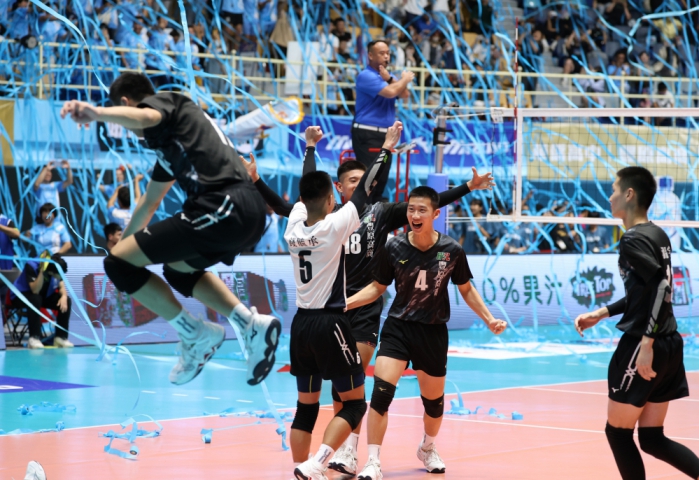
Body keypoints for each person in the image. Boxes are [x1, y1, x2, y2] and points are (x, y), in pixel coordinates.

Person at [245, 127, 494, 477]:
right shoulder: (335, 218)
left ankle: (345, 454)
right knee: (345, 393)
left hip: (357, 309)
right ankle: (332, 458)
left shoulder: (374, 213)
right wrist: (385, 150)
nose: (363, 184)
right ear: (337, 188)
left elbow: (427, 203)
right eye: (354, 180)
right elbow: (298, 199)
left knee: (349, 386)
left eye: (364, 179)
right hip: (332, 313)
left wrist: (467, 187)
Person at [59, 72, 281, 386]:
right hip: (245, 213)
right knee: (177, 271)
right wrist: (124, 258)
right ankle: (248, 323)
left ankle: (194, 333)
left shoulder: (168, 103)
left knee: (118, 264)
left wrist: (96, 112)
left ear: (126, 103)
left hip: (222, 205)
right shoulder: (173, 146)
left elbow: (147, 116)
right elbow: (148, 205)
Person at [346, 186, 507, 479]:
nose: (415, 215)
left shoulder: (451, 250)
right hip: (398, 328)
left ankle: (428, 447)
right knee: (381, 394)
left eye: (422, 210)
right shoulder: (393, 247)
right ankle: (373, 461)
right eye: (411, 209)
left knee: (433, 404)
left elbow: (466, 289)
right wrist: (346, 303)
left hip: (432, 332)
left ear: (435, 214)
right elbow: (377, 288)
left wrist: (489, 319)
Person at [286, 123, 398, 480]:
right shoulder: (336, 225)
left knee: (305, 408)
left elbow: (308, 189)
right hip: (329, 323)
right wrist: (386, 149)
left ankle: (302, 468)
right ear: (332, 200)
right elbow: (368, 190)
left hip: (300, 324)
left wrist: (309, 148)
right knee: (354, 403)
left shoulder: (293, 226)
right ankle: (316, 463)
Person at [574, 166, 699, 480]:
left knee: (617, 433)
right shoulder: (657, 233)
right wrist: (602, 313)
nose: (610, 196)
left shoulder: (631, 239)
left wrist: (646, 343)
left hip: (646, 344)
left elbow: (661, 287)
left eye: (614, 189)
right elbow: (644, 290)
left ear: (629, 194)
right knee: (652, 438)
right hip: (670, 343)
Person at [352, 39, 414, 204]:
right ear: (370, 55)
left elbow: (404, 95)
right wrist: (404, 79)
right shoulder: (366, 76)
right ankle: (363, 215)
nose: (386, 56)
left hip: (386, 135)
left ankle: (376, 215)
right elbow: (391, 92)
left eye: (388, 53)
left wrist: (391, 79)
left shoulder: (387, 77)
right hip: (368, 132)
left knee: (381, 180)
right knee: (369, 180)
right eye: (382, 53)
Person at [11, 253, 73, 349]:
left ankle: (61, 337)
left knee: (66, 300)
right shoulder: (32, 265)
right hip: (20, 296)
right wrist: (41, 271)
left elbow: (61, 285)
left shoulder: (56, 267)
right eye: (59, 275)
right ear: (51, 272)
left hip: (42, 296)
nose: (61, 277)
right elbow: (35, 290)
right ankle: (34, 338)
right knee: (36, 298)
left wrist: (64, 296)